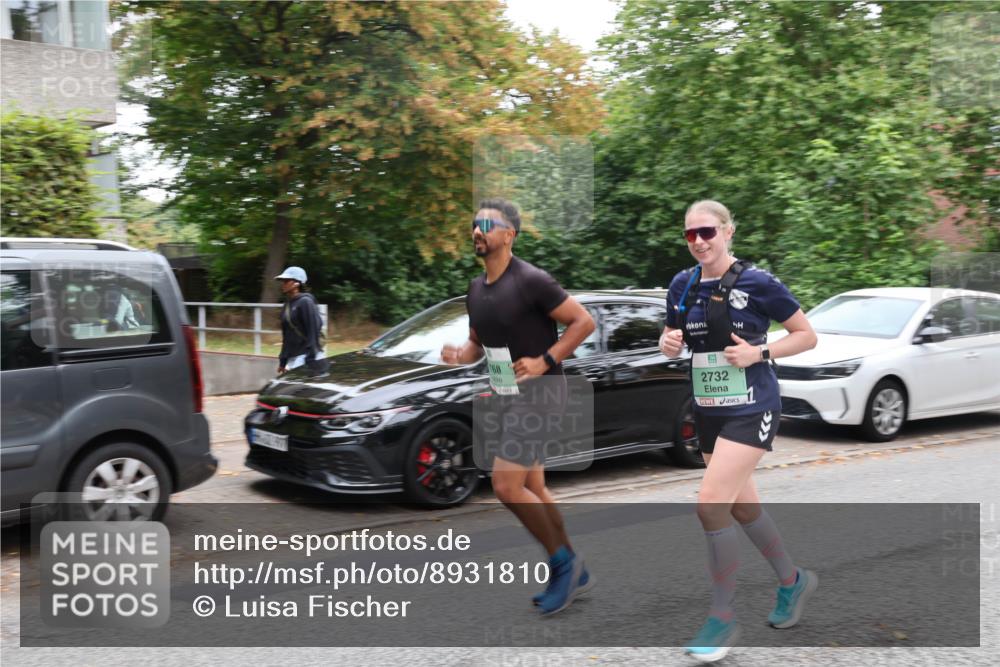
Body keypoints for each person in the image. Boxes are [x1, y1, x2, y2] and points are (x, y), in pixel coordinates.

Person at [660, 200, 819, 662]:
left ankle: (722, 617)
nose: (699, 241)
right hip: (709, 409)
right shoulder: (681, 285)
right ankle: (793, 581)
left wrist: (759, 353)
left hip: (753, 408)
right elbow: (672, 341)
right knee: (743, 507)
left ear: (729, 230)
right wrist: (667, 342)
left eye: (707, 231)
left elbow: (806, 335)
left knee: (711, 505)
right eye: (690, 234)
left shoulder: (759, 282)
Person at [440, 198, 596, 615]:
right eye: (474, 224)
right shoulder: (476, 290)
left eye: (487, 224)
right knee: (534, 487)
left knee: (507, 486)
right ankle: (574, 569)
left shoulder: (531, 280)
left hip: (543, 394)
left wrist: (546, 359)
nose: (478, 230)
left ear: (508, 235)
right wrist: (461, 353)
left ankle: (563, 565)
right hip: (509, 395)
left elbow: (583, 322)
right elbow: (478, 345)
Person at [275, 266, 325, 375]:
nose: (283, 284)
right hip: (293, 358)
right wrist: (282, 361)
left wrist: (310, 357)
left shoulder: (305, 302)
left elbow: (313, 330)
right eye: (282, 281)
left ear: (297, 283)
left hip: (307, 357)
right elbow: (286, 335)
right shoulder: (287, 305)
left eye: (286, 281)